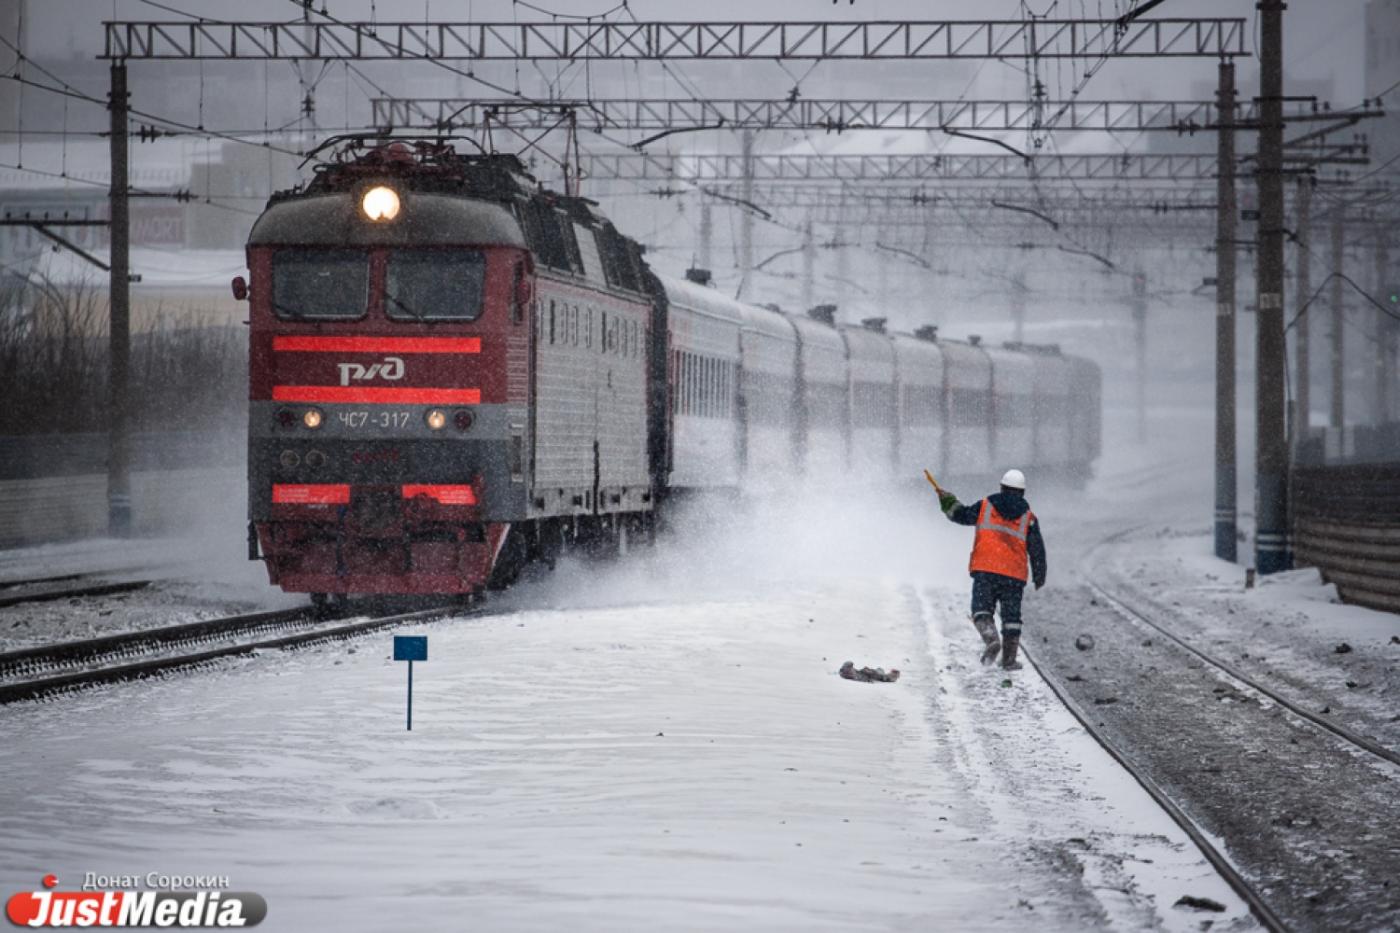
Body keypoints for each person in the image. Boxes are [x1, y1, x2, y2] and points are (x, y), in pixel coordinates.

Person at [937, 468, 1047, 670]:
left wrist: (948, 501)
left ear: (1002, 487)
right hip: (1013, 575)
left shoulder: (985, 506)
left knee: (981, 609)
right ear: (1022, 492)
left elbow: (961, 515)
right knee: (1011, 618)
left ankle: (991, 640)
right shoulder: (1029, 518)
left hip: (986, 570)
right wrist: (1039, 575)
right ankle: (1009, 660)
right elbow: (1037, 549)